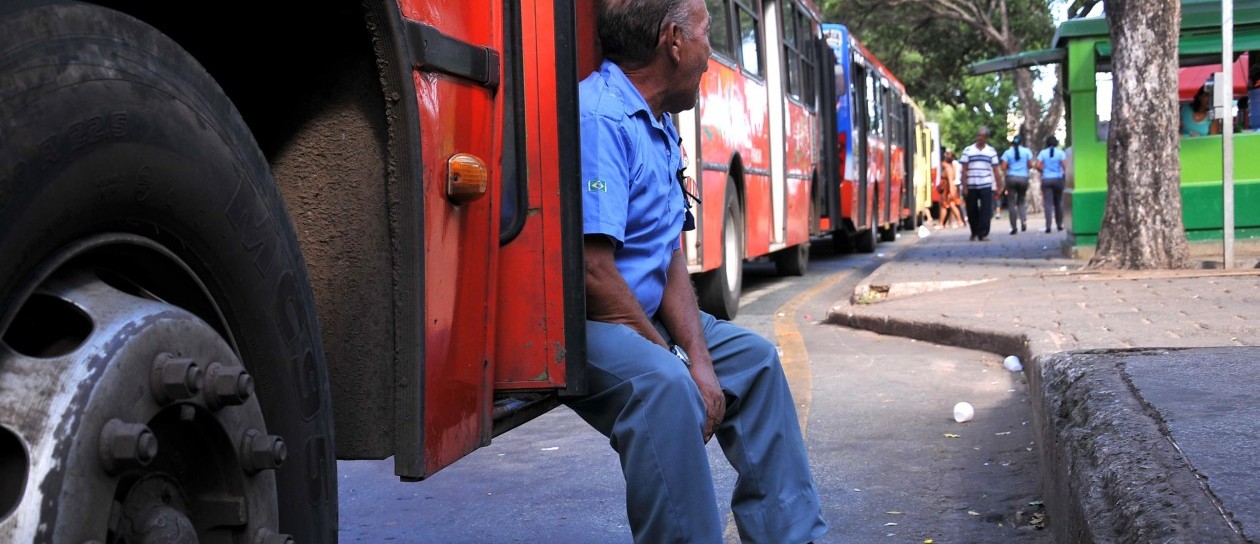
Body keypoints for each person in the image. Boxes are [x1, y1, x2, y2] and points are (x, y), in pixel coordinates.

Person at [571, 1, 829, 542]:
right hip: (586, 324)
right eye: (708, 35)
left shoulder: (660, 123)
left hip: (639, 315)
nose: (711, 56)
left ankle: (796, 536)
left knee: (755, 363)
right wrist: (675, 361)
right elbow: (594, 274)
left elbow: (667, 255)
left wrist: (704, 363)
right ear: (673, 41)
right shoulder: (599, 118)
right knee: (664, 387)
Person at [960, 126, 1002, 241]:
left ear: (986, 138)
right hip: (971, 184)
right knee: (971, 209)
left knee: (986, 210)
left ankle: (983, 233)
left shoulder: (991, 151)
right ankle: (974, 231)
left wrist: (999, 185)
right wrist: (964, 186)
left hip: (986, 184)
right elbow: (964, 169)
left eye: (982, 137)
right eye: (978, 136)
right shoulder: (968, 150)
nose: (980, 138)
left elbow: (995, 169)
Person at [999, 134, 1034, 234]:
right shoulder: (1026, 151)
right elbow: (1030, 165)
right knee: (1021, 200)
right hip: (1023, 178)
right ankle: (1023, 219)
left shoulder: (1007, 152)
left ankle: (1014, 227)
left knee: (1011, 202)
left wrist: (1011, 167)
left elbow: (1003, 167)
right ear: (1021, 142)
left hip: (1011, 178)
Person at [1034, 135, 1067, 233]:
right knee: (1059, 202)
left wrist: (1044, 170)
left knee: (1048, 204)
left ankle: (1048, 226)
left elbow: (1038, 165)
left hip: (1046, 180)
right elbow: (1065, 166)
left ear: (1047, 143)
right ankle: (1059, 225)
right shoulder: (1061, 153)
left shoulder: (1043, 153)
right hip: (1058, 179)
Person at [938, 149, 964, 228]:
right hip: (950, 189)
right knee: (952, 205)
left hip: (949, 189)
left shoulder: (948, 167)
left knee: (946, 205)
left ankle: (942, 223)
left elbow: (950, 179)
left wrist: (952, 190)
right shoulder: (950, 166)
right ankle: (958, 222)